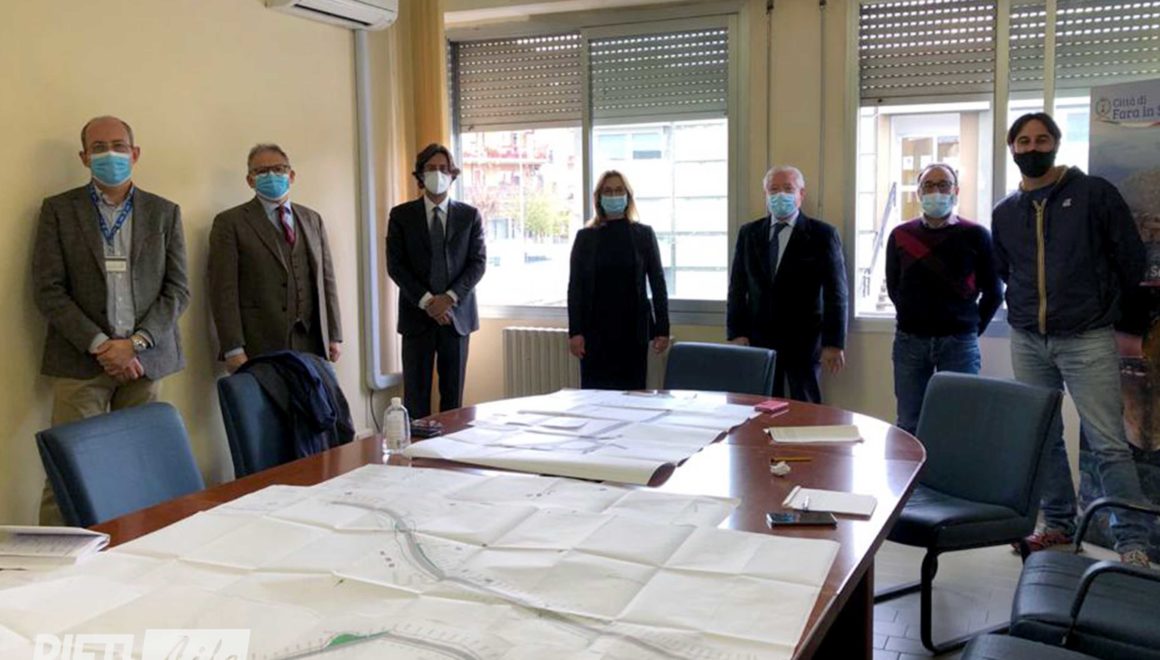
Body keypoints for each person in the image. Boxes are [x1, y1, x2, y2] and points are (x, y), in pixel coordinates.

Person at [992, 112, 1151, 567]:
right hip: (1028, 339)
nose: (1033, 148)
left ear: (1057, 144)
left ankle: (1132, 544)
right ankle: (1058, 525)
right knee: (1044, 438)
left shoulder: (1093, 194)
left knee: (1109, 444)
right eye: (1024, 141)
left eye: (1042, 139)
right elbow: (1006, 269)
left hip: (1087, 338)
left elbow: (1130, 259)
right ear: (1012, 149)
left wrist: (1111, 314)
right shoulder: (1006, 212)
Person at [32, 115, 190, 524]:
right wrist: (103, 346)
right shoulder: (58, 210)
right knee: (68, 475)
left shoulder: (164, 212)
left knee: (142, 470)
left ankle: (136, 551)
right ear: (84, 157)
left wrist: (135, 344)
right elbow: (49, 290)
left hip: (145, 362)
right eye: (99, 147)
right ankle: (57, 560)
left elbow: (178, 290)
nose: (110, 154)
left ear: (134, 153)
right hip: (80, 362)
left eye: (119, 146)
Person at [886, 163, 1002, 433]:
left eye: (943, 185)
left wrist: (969, 327)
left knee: (960, 423)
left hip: (959, 344)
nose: (935, 191)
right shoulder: (900, 235)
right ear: (918, 193)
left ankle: (951, 465)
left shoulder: (976, 235)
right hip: (909, 343)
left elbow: (994, 292)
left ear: (955, 191)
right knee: (909, 421)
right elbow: (895, 288)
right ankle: (916, 465)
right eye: (928, 186)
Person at [208, 144, 342, 372]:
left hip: (311, 340)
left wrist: (334, 334)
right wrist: (233, 348)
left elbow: (326, 279)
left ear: (291, 175)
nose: (271, 175)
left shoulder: (312, 219)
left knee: (315, 395)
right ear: (250, 180)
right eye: (261, 171)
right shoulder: (230, 222)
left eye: (279, 169)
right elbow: (223, 291)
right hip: (259, 342)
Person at [726, 166, 848, 403]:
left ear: (801, 194)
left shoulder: (823, 235)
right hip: (759, 339)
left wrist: (834, 343)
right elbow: (737, 287)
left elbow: (837, 293)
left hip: (804, 341)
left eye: (788, 189)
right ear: (765, 194)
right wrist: (736, 332)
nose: (780, 195)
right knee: (761, 406)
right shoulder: (749, 233)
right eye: (773, 190)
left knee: (806, 407)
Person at [386, 143, 486, 419]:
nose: (438, 174)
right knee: (415, 398)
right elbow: (396, 266)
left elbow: (478, 263)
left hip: (457, 318)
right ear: (420, 174)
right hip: (416, 318)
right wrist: (429, 302)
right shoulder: (401, 216)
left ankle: (451, 445)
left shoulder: (469, 216)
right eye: (431, 168)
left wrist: (449, 299)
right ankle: (417, 446)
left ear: (452, 174)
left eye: (443, 168)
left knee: (453, 400)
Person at [567, 170, 670, 389]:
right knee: (595, 399)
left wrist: (662, 329)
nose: (613, 195)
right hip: (594, 335)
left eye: (618, 190)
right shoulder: (585, 237)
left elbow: (658, 283)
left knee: (633, 398)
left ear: (627, 196)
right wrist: (575, 332)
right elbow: (575, 288)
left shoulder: (644, 234)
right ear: (599, 198)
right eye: (608, 191)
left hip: (633, 334)